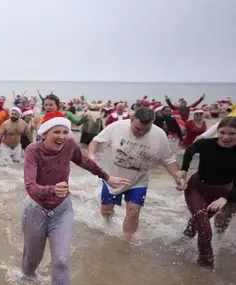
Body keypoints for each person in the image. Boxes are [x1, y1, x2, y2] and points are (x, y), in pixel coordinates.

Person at [23, 111, 129, 285]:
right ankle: (27, 278)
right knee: (32, 261)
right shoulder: (33, 151)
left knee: (61, 261)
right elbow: (30, 186)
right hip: (36, 210)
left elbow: (84, 161)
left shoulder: (70, 145)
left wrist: (106, 177)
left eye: (64, 131)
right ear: (44, 133)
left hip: (62, 210)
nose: (61, 136)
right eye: (56, 132)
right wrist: (50, 189)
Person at [88, 108, 185, 242]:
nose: (140, 132)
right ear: (131, 120)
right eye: (137, 128)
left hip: (138, 180)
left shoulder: (159, 135)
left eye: (145, 130)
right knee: (106, 210)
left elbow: (168, 159)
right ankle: (107, 225)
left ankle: (126, 241)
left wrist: (177, 176)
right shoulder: (117, 127)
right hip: (113, 178)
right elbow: (96, 140)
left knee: (133, 211)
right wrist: (92, 155)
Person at [178, 116, 236, 267]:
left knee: (198, 222)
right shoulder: (206, 144)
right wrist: (183, 170)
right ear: (217, 131)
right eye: (222, 132)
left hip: (221, 191)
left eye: (232, 134)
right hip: (196, 188)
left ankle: (181, 242)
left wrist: (225, 198)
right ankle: (206, 265)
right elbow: (190, 150)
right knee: (204, 227)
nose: (226, 137)